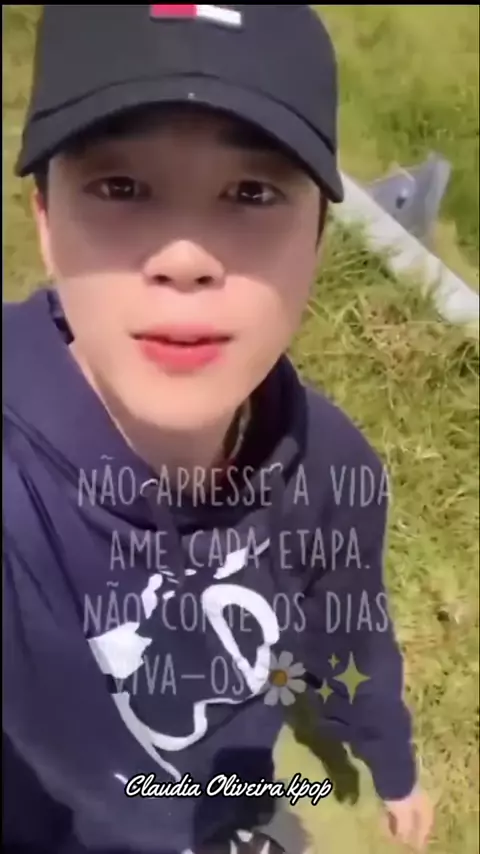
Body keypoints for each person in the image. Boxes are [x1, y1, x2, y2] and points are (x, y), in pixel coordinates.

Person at [3, 5, 434, 854]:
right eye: (121, 187)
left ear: (317, 241)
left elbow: (347, 628)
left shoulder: (329, 465)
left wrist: (391, 761)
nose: (186, 257)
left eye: (250, 193)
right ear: (45, 222)